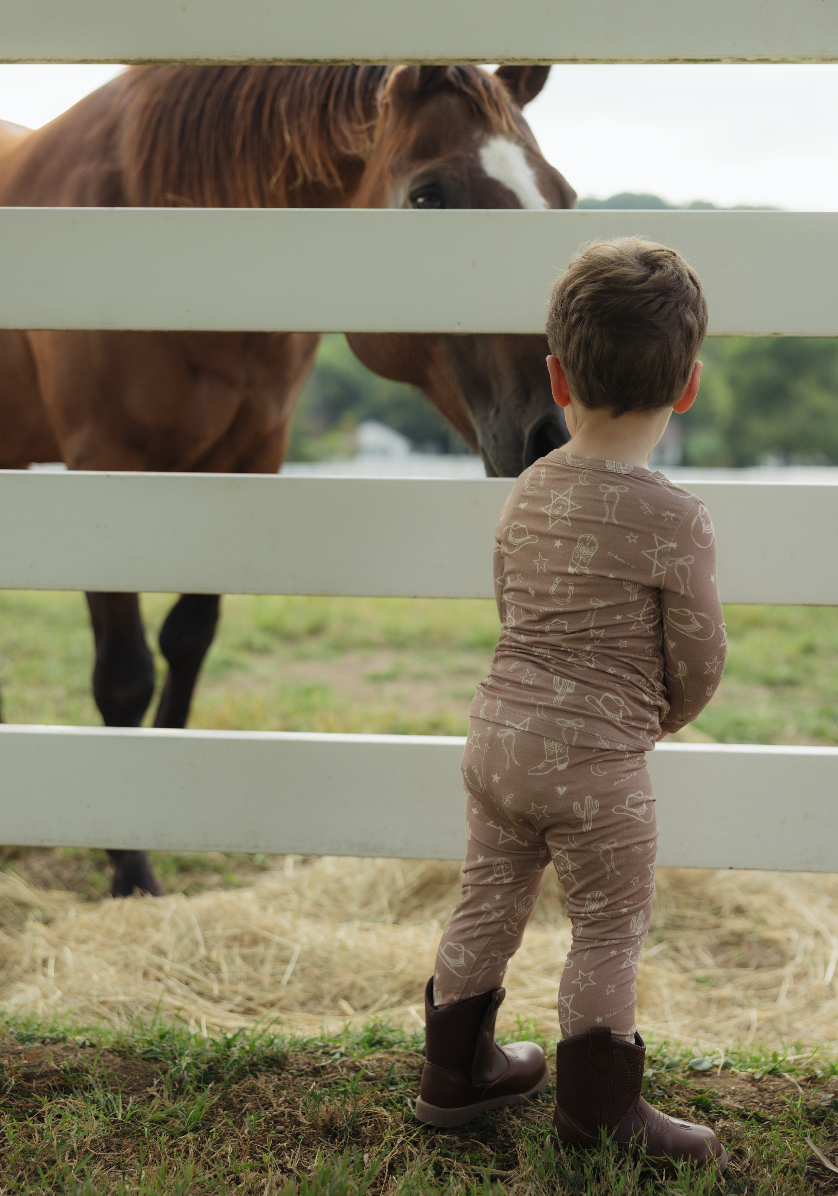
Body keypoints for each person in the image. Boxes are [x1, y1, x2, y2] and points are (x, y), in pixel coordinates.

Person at [414, 237, 728, 1170]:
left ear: (555, 376)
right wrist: (658, 716)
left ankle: (456, 1074)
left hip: (497, 740)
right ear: (689, 387)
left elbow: (514, 604)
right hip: (599, 766)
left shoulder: (528, 488)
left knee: (487, 899)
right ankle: (599, 1112)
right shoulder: (674, 517)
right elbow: (701, 654)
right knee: (605, 929)